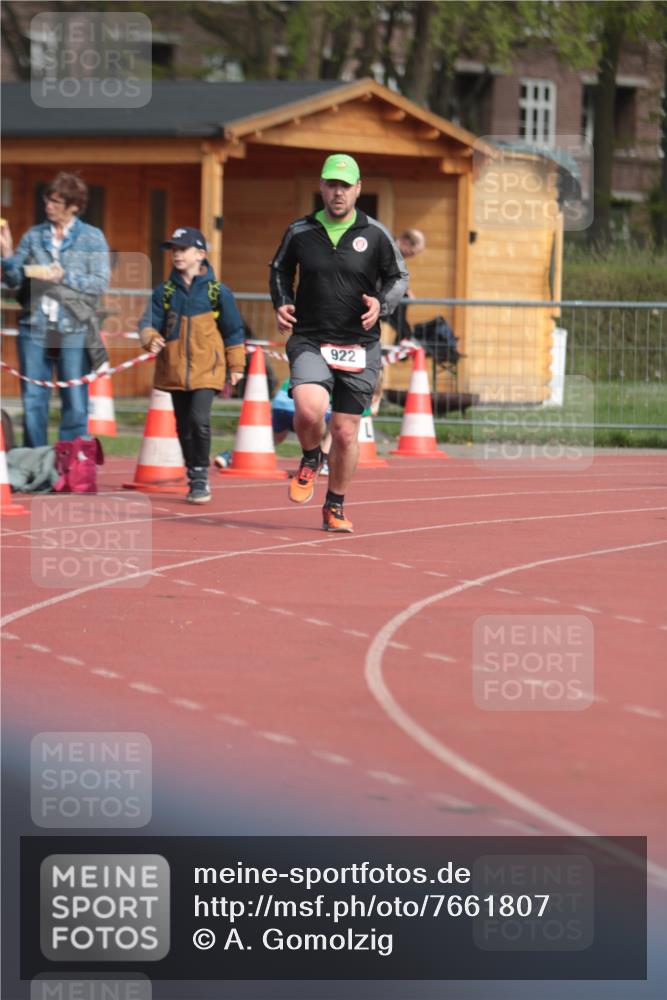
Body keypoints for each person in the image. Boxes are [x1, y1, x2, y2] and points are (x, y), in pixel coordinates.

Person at [269, 153, 408, 533]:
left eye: (345, 186)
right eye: (331, 184)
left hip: (360, 344)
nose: (338, 192)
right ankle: (312, 457)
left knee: (346, 431)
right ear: (322, 187)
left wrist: (382, 305)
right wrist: (281, 302)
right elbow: (279, 269)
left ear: (358, 189)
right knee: (309, 407)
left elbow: (398, 278)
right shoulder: (300, 231)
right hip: (311, 337)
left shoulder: (376, 235)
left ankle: (335, 506)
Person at [0, 172, 110, 447]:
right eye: (47, 200)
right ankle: (37, 464)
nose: (48, 206)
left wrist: (62, 277)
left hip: (73, 329)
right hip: (35, 327)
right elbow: (14, 280)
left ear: (73, 206)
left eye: (56, 202)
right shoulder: (34, 235)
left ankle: (70, 466)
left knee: (74, 399)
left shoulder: (91, 237)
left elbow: (98, 283)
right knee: (34, 399)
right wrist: (7, 254)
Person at [138, 227, 245, 504]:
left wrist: (236, 367)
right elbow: (148, 323)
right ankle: (193, 471)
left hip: (207, 370)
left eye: (182, 249)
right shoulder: (165, 291)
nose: (176, 255)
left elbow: (233, 331)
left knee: (199, 420)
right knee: (183, 426)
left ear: (200, 254)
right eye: (173, 250)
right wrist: (150, 338)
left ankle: (200, 478)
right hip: (173, 370)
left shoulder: (218, 292)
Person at [214, 377, 332, 473]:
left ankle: (229, 455)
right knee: (337, 425)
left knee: (273, 439)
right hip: (303, 406)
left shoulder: (304, 364)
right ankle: (325, 462)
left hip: (281, 404)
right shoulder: (333, 373)